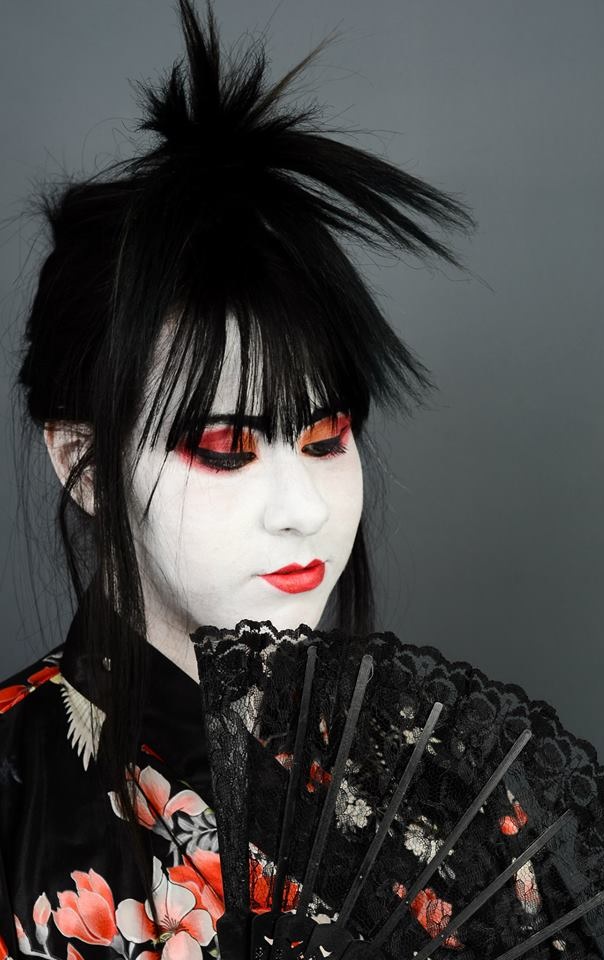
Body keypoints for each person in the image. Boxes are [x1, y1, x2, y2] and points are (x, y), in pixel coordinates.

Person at [0, 1, 476, 956]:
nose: (302, 510)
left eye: (328, 437)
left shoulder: (439, 785)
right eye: (225, 448)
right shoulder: (14, 799)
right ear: (83, 462)